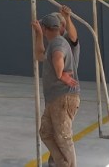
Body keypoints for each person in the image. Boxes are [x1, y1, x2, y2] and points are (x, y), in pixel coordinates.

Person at [32, 13, 80, 167]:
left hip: (63, 97)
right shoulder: (53, 43)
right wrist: (38, 34)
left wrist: (60, 74)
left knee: (63, 137)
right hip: (55, 98)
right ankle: (62, 163)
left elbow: (58, 56)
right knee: (45, 132)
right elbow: (39, 55)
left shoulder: (59, 43)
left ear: (46, 28)